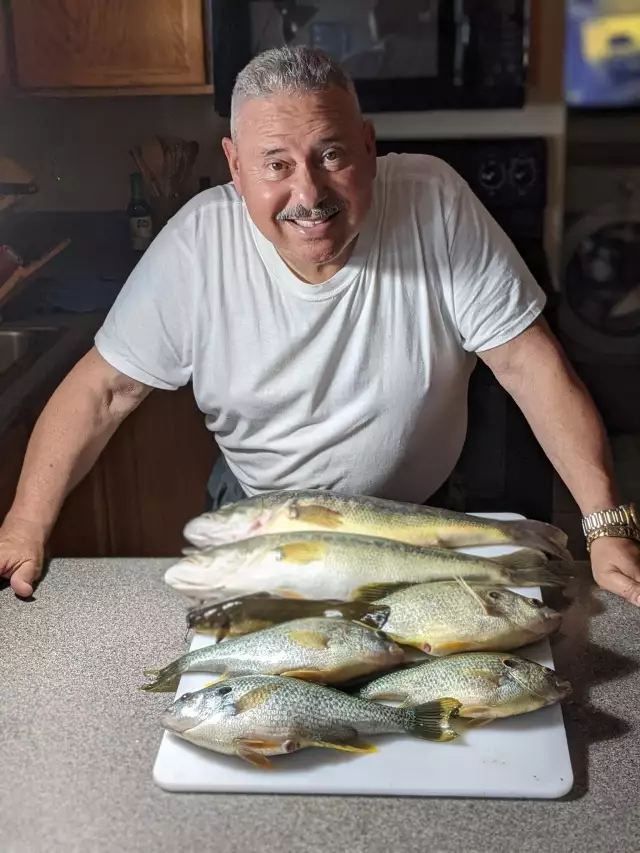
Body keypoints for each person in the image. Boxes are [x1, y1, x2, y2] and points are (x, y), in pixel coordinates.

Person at [1, 46, 639, 605]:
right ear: (235, 165)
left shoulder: (435, 202)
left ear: (368, 144)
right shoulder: (197, 243)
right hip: (259, 523)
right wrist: (24, 526)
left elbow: (528, 363)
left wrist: (607, 526)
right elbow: (103, 390)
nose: (309, 193)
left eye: (330, 154)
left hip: (417, 518)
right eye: (275, 163)